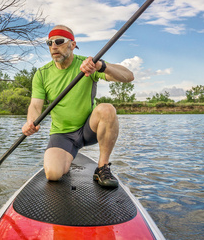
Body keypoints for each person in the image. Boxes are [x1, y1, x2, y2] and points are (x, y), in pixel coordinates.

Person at [21, 25, 134, 188]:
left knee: (107, 109)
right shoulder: (42, 74)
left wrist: (102, 66)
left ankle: (102, 168)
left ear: (72, 45)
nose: (54, 46)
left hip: (89, 129)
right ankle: (66, 155)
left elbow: (128, 76)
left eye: (59, 41)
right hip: (62, 134)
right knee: (53, 175)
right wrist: (31, 121)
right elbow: (35, 105)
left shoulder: (89, 64)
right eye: (49, 43)